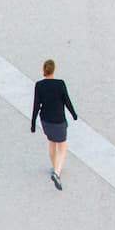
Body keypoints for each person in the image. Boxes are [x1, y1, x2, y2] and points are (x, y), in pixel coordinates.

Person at [31, 58, 77, 190]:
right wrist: (74, 114)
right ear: (54, 70)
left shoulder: (39, 85)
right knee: (62, 146)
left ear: (43, 70)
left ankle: (54, 166)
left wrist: (33, 123)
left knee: (52, 142)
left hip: (45, 120)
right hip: (59, 120)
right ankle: (57, 172)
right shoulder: (60, 84)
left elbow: (36, 106)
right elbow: (67, 101)